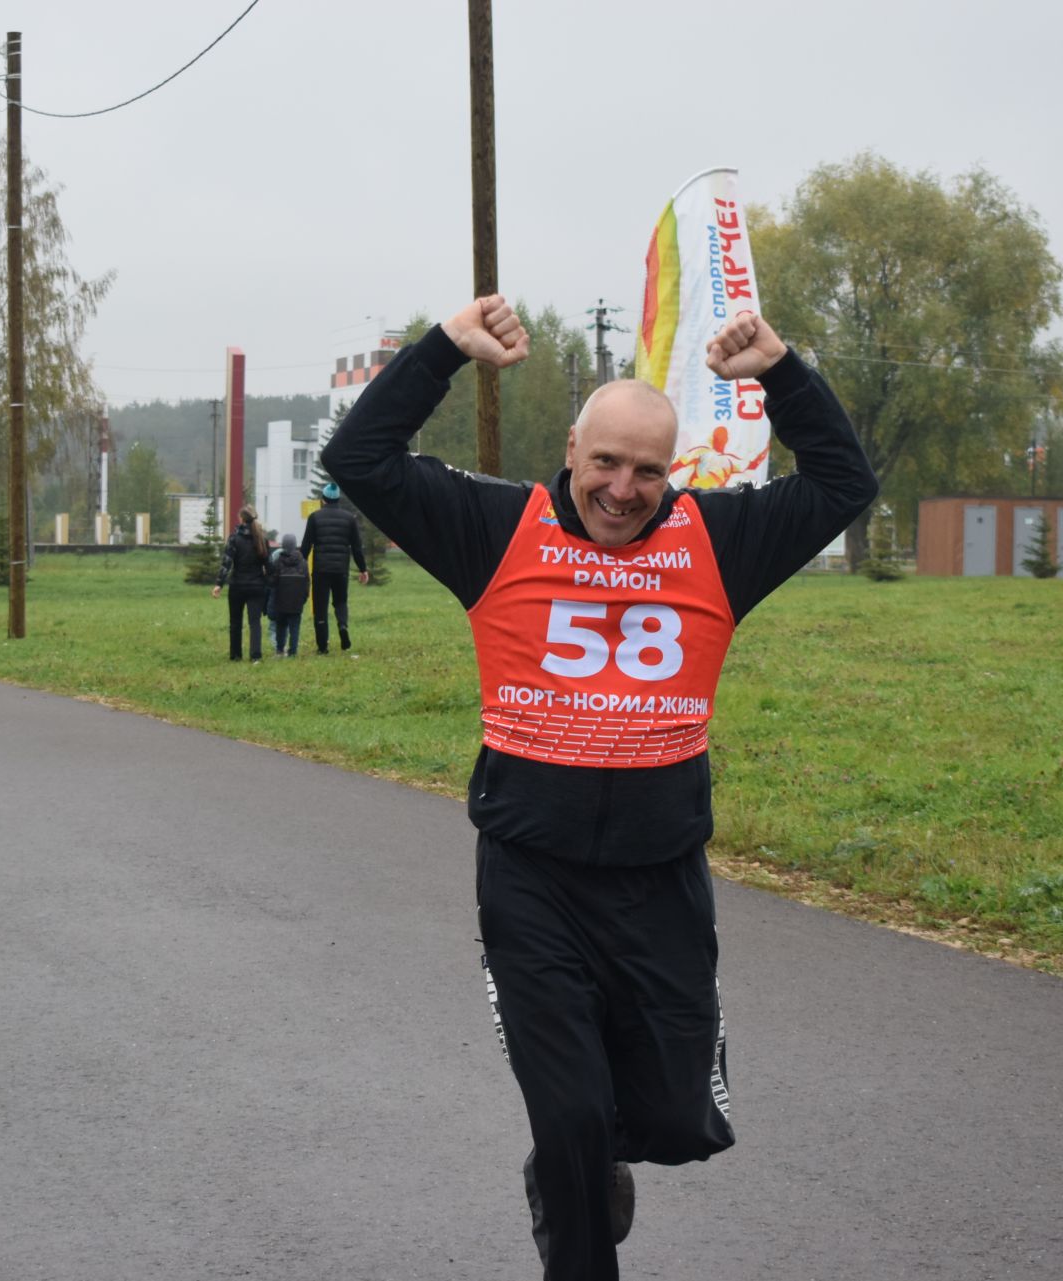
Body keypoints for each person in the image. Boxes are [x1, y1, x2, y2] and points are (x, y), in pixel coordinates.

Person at [322, 295, 877, 1280]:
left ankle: (599, 1157)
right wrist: (446, 351)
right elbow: (358, 461)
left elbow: (842, 483)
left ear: (677, 473)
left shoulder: (718, 540)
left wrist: (783, 372)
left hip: (660, 877)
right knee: (569, 1115)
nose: (623, 491)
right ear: (571, 449)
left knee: (668, 1114)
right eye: (605, 463)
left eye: (648, 470)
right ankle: (577, 1200)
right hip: (531, 876)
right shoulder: (496, 526)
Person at [301, 481, 369, 654]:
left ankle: (323, 646)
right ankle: (343, 626)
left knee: (320, 607)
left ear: (323, 500)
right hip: (341, 569)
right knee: (340, 601)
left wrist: (300, 566)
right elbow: (356, 547)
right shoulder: (349, 519)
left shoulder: (314, 517)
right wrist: (363, 569)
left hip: (321, 570)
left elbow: (306, 545)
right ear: (338, 499)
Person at [209, 505, 269, 663]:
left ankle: (236, 655)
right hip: (257, 586)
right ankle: (256, 656)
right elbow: (268, 564)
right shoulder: (262, 538)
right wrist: (270, 583)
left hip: (237, 586)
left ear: (241, 519)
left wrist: (219, 584)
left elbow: (226, 563)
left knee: (235, 621)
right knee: (255, 622)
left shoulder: (234, 538)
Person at [265, 531, 310, 657]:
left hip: (281, 601)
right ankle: (293, 652)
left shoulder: (278, 561)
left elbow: (272, 582)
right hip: (297, 602)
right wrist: (304, 599)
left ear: (283, 545)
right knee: (295, 628)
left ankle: (280, 650)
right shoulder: (303, 562)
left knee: (281, 627)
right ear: (295, 545)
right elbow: (307, 582)